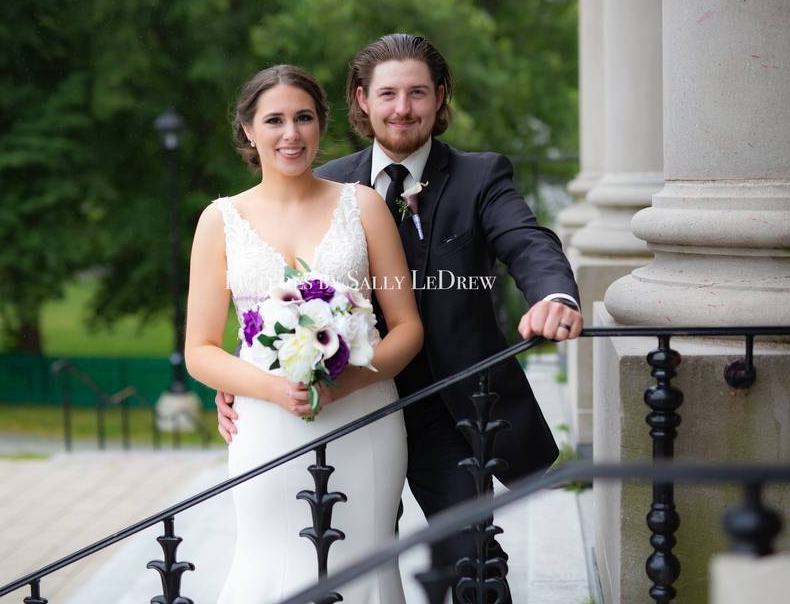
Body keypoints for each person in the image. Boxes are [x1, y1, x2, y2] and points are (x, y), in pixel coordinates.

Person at [217, 34, 584, 599]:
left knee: (471, 564)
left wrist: (555, 295)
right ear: (361, 100)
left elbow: (528, 241)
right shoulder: (327, 181)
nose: (402, 108)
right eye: (387, 93)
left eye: (417, 93)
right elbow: (271, 288)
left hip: (452, 408)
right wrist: (254, 375)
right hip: (347, 408)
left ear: (440, 98)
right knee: (344, 565)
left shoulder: (481, 177)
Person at [185, 64, 423, 603]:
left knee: (363, 563)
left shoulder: (362, 206)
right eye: (274, 120)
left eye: (303, 118)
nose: (290, 134)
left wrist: (347, 382)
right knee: (270, 560)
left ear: (320, 126)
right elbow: (199, 351)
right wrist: (270, 389)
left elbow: (406, 328)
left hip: (363, 415)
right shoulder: (219, 221)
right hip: (267, 422)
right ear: (248, 130)